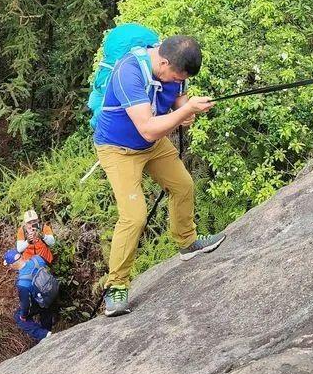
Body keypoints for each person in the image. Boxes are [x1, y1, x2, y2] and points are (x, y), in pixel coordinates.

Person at [94, 34, 226, 317]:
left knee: (183, 185)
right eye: (174, 75)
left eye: (181, 78)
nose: (175, 80)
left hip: (152, 145)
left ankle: (187, 242)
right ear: (162, 61)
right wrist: (186, 111)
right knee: (134, 215)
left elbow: (179, 101)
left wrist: (185, 109)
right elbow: (147, 128)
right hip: (118, 149)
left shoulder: (176, 70)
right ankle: (117, 285)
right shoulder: (129, 71)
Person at [3, 212, 57, 343]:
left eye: (34, 221)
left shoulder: (22, 283)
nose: (32, 224)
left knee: (22, 313)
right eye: (29, 222)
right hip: (38, 267)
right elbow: (20, 248)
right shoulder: (23, 233)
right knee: (45, 299)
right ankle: (47, 331)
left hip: (38, 267)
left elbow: (25, 304)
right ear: (25, 223)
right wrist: (28, 240)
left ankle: (44, 334)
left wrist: (41, 235)